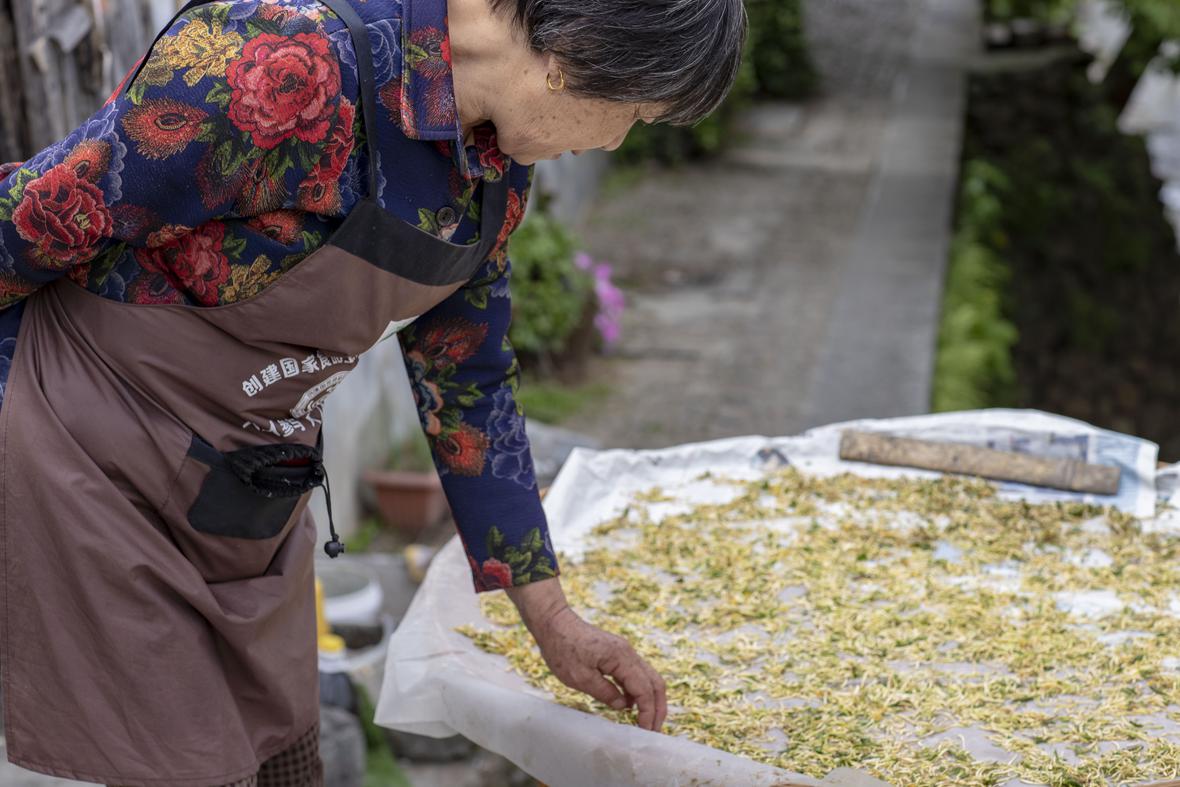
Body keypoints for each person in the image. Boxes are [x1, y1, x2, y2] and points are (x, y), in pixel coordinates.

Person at [0, 0, 746, 784]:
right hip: (97, 469)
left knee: (288, 758)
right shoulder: (280, 68)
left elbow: (468, 378)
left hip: (244, 487)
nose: (614, 142)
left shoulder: (491, 164)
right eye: (633, 116)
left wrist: (552, 616)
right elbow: (24, 226)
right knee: (192, 763)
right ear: (577, 57)